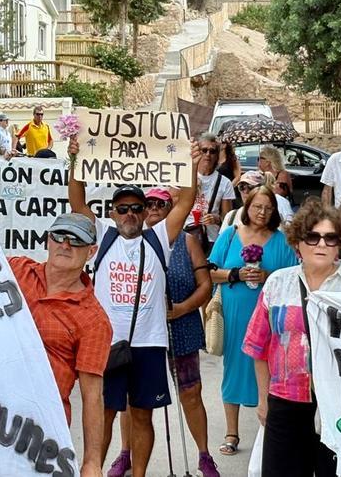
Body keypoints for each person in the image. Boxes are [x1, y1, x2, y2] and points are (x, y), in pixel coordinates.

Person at [68, 137, 199, 477]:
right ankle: (93, 469)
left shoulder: (159, 239)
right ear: (112, 212)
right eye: (122, 208)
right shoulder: (102, 234)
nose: (129, 214)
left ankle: (138, 475)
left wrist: (192, 163)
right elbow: (77, 200)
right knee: (104, 414)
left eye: (136, 208)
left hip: (150, 343)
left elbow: (185, 201)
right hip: (106, 344)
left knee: (142, 414)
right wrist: (76, 160)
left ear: (144, 212)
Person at [245, 199, 341, 477]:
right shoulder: (278, 282)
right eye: (313, 237)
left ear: (340, 242)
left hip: (339, 404)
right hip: (285, 401)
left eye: (330, 237)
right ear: (298, 243)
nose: (321, 244)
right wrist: (264, 401)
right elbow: (258, 347)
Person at [109, 188, 218, 477]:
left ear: (171, 207)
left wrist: (183, 308)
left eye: (161, 203)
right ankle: (126, 452)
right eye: (150, 203)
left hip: (179, 324)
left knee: (191, 392)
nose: (155, 208)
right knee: (134, 402)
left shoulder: (186, 240)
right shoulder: (129, 240)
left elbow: (205, 284)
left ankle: (204, 455)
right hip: (143, 331)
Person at [8, 213, 110, 477]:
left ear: (91, 251)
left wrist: (92, 462)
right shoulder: (16, 270)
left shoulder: (94, 320)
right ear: (48, 241)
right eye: (59, 236)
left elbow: (92, 396)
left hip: (38, 434)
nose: (65, 244)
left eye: (76, 240)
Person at [206, 185, 297, 457]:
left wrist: (268, 275)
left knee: (271, 368)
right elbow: (209, 273)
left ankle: (268, 427)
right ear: (247, 207)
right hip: (235, 311)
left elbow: (293, 277)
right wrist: (236, 274)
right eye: (258, 206)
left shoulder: (281, 241)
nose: (262, 212)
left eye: (269, 208)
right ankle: (231, 432)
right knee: (233, 366)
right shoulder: (230, 235)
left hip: (269, 314)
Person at [192, 132, 235, 252]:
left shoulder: (224, 183)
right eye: (204, 150)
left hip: (210, 239)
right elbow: (172, 202)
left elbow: (228, 218)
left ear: (217, 155)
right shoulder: (186, 176)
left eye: (212, 151)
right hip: (187, 234)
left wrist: (216, 219)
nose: (208, 154)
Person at [220, 170, 292, 231]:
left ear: (261, 189)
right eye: (242, 187)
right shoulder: (231, 216)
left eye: (251, 187)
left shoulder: (272, 216)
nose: (246, 191)